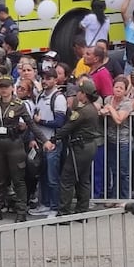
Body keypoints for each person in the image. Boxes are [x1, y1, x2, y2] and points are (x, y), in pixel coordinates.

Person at [47, 79, 102, 216]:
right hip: (88, 146)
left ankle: (64, 212)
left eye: (79, 92)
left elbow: (68, 127)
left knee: (67, 178)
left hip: (80, 147)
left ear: (84, 94)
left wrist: (53, 139)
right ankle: (81, 212)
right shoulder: (91, 109)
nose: (77, 94)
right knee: (83, 179)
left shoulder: (83, 111)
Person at [0, 77, 36, 222]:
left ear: (12, 88)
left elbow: (30, 124)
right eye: (1, 87)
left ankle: (21, 211)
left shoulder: (19, 104)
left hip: (14, 145)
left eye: (6, 87)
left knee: (18, 180)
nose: (3, 90)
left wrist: (44, 140)